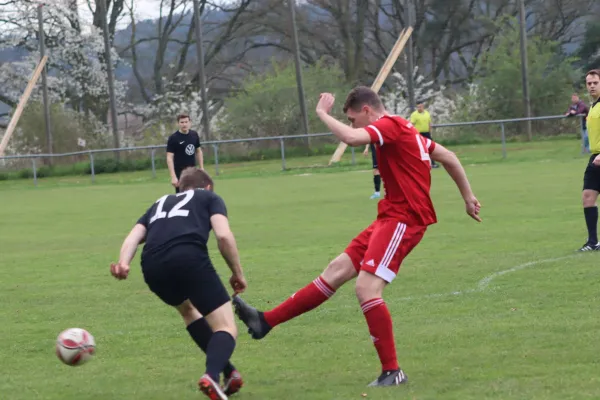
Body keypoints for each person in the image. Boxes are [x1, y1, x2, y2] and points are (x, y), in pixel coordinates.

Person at [232, 86, 481, 387]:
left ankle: (393, 371)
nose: (352, 125)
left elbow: (351, 139)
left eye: (352, 118)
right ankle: (265, 321)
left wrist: (322, 113)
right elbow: (450, 157)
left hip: (405, 218)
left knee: (366, 289)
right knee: (336, 270)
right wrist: (468, 197)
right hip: (390, 216)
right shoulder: (405, 128)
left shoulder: (388, 125)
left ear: (366, 111)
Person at [110, 167, 247, 400]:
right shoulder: (209, 197)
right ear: (208, 187)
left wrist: (123, 262)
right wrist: (237, 273)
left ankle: (229, 373)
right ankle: (211, 376)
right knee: (226, 327)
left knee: (189, 311)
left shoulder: (159, 203)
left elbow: (133, 236)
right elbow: (223, 236)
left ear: (180, 188)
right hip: (188, 258)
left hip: (152, 266)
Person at [579, 69, 600, 252]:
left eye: (595, 82)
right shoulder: (593, 106)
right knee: (587, 197)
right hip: (595, 158)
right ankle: (593, 242)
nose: (592, 86)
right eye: (589, 83)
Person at [167, 114, 204, 193]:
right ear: (178, 123)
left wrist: (201, 168)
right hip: (180, 173)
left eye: (186, 122)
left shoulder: (194, 135)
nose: (184, 124)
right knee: (182, 198)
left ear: (190, 122)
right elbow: (169, 158)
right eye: (182, 122)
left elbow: (199, 151)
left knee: (194, 196)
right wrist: (173, 176)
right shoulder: (173, 138)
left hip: (193, 172)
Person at [410, 100, 438, 168]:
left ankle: (433, 163)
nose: (419, 108)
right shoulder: (414, 115)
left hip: (427, 133)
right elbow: (412, 125)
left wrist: (430, 132)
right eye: (418, 107)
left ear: (423, 106)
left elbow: (429, 123)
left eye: (420, 107)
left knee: (430, 148)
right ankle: (418, 164)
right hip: (419, 134)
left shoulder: (427, 113)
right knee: (419, 149)